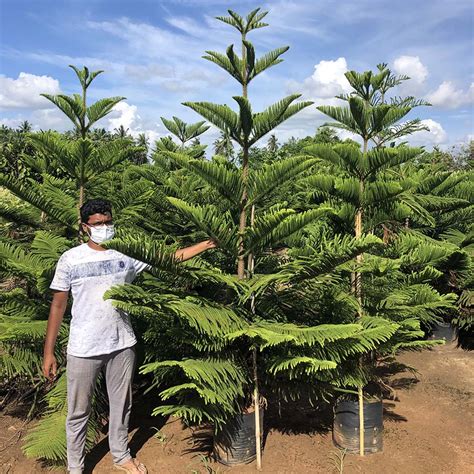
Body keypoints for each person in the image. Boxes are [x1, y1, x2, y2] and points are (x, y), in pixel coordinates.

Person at [42, 198, 216, 474]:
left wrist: (205, 245)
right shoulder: (71, 259)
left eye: (108, 221)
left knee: (121, 405)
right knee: (78, 411)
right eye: (98, 224)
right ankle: (75, 467)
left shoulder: (126, 253)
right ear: (85, 227)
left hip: (122, 343)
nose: (105, 227)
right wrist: (48, 352)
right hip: (83, 347)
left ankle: (121, 455)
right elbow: (58, 305)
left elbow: (167, 258)